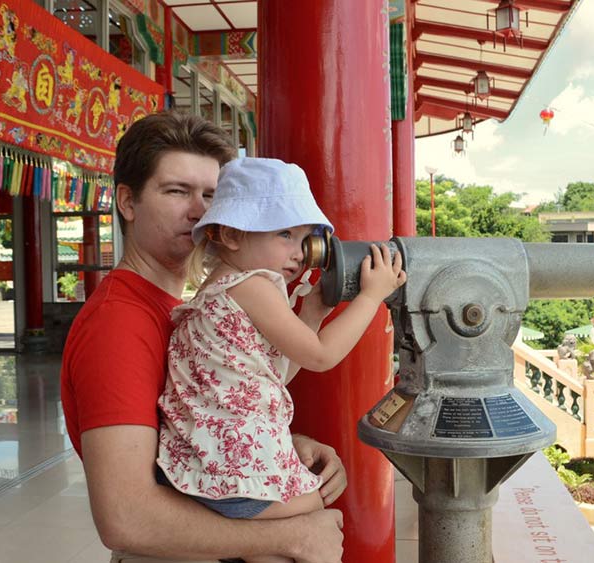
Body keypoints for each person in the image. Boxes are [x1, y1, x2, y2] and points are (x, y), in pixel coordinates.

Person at [61, 111, 347, 563]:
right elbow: (125, 516)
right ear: (127, 202)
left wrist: (276, 449)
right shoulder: (118, 323)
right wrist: (290, 538)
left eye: (211, 196)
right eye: (176, 191)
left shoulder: (191, 306)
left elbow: (187, 427)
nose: (199, 210)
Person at [156, 158, 407, 563]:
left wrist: (311, 315)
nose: (298, 253)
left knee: (285, 540)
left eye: (305, 237)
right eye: (285, 235)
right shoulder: (253, 285)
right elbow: (322, 356)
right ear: (233, 234)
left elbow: (271, 374)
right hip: (235, 470)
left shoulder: (222, 285)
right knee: (313, 513)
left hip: (211, 463)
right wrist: (371, 297)